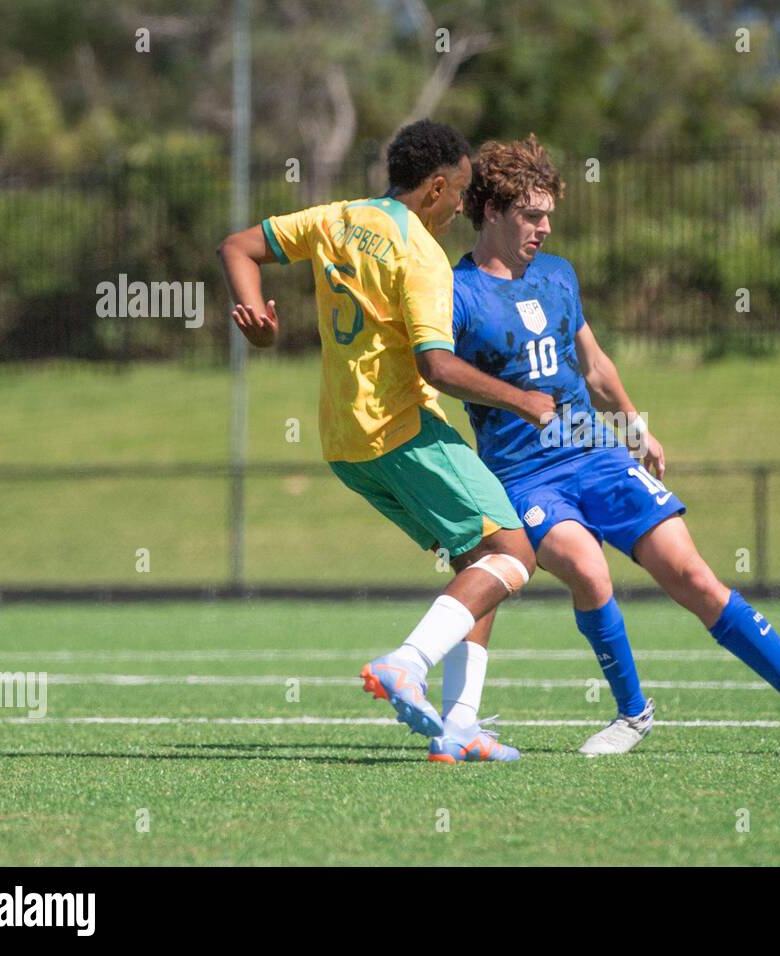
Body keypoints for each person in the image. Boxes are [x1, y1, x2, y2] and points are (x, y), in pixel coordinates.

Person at [450, 135, 780, 755]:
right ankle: (632, 713)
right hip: (522, 474)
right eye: (531, 215)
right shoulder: (457, 292)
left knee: (694, 577)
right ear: (491, 211)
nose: (543, 228)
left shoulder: (559, 275)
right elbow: (437, 368)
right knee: (589, 572)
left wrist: (632, 425)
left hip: (593, 447)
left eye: (548, 216)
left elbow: (592, 365)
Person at [217, 120, 556, 763]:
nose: (461, 205)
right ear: (434, 187)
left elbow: (236, 246)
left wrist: (256, 319)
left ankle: (460, 727)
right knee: (515, 554)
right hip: (404, 431)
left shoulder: (336, 218)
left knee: (475, 562)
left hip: (345, 443)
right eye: (458, 192)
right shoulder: (422, 256)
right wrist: (522, 400)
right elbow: (437, 366)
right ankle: (408, 662)